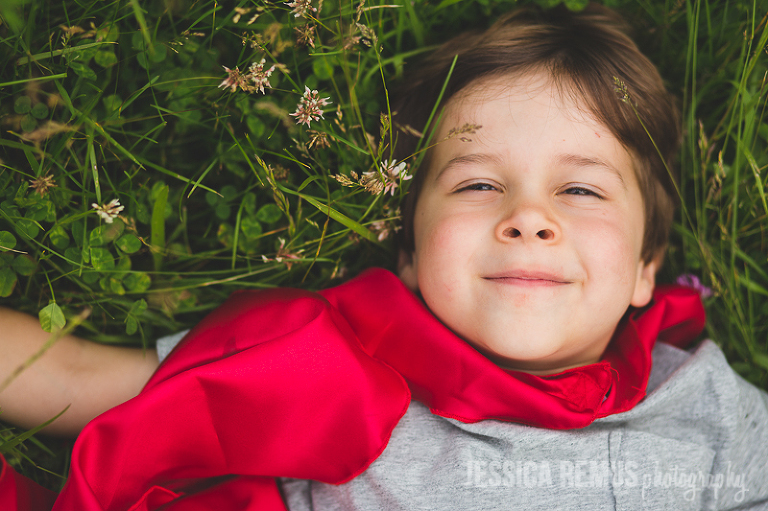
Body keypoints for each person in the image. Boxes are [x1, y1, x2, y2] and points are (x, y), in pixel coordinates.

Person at [1, 3, 767, 510]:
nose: (529, 218)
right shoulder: (324, 366)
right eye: (477, 183)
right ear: (407, 249)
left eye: (582, 191)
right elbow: (72, 379)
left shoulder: (708, 412)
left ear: (645, 265)